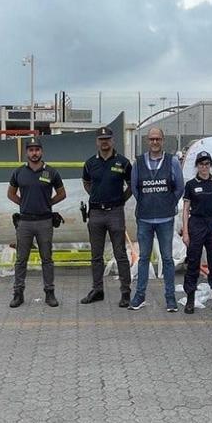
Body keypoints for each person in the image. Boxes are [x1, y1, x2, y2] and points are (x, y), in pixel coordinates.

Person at [7, 137, 66, 308]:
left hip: (44, 222)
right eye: (31, 150)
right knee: (21, 260)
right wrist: (23, 204)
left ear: (42, 151)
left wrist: (48, 204)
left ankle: (50, 293)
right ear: (27, 153)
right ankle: (18, 294)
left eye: (37, 149)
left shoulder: (51, 172)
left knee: (47, 259)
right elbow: (11, 193)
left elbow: (62, 193)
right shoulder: (19, 172)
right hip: (24, 222)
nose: (34, 153)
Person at [129, 128, 183, 312]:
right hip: (144, 218)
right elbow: (135, 188)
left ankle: (170, 298)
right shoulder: (138, 163)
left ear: (163, 140)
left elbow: (179, 188)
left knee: (167, 258)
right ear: (147, 141)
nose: (154, 142)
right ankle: (139, 296)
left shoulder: (172, 161)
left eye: (158, 139)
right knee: (144, 258)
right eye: (151, 139)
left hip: (165, 218)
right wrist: (147, 202)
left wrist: (168, 203)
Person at [81, 126, 133, 307]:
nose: (104, 142)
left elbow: (131, 185)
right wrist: (96, 196)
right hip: (95, 213)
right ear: (97, 142)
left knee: (120, 254)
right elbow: (87, 183)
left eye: (107, 139)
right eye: (101, 139)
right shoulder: (89, 163)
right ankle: (97, 290)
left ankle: (125, 292)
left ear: (113, 141)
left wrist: (120, 200)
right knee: (96, 255)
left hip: (115, 213)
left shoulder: (123, 163)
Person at [181, 151, 212, 314]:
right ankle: (190, 298)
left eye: (207, 164)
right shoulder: (191, 184)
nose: (204, 167)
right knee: (193, 261)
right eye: (201, 164)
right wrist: (185, 232)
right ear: (197, 166)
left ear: (210, 165)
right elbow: (186, 209)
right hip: (196, 223)